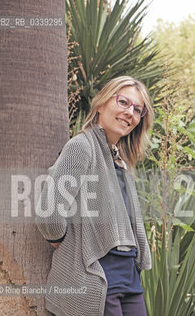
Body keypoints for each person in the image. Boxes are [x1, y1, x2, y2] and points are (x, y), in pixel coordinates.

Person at [35, 76, 154, 316]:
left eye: (137, 110)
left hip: (129, 275)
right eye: (123, 102)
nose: (130, 112)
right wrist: (57, 238)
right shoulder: (82, 147)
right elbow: (50, 211)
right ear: (101, 104)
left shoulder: (120, 160)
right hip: (97, 275)